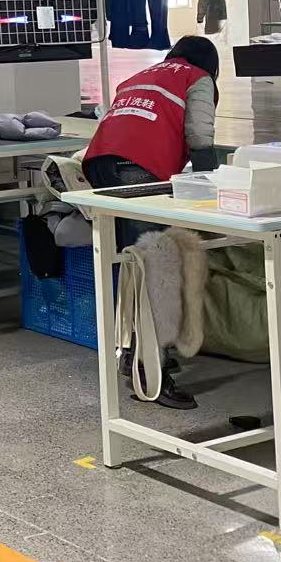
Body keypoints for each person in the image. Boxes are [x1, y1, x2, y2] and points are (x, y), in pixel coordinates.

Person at [81, 34, 220, 409]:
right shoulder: (197, 77)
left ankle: (132, 351)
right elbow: (200, 135)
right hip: (138, 170)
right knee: (157, 268)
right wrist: (213, 186)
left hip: (101, 167)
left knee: (133, 266)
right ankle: (149, 368)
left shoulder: (144, 75)